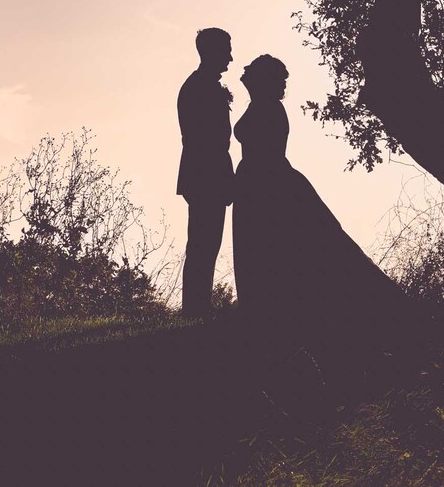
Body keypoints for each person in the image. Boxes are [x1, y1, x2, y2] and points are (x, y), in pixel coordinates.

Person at [232, 54, 414, 349]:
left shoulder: (269, 107)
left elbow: (265, 150)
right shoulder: (261, 104)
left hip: (267, 183)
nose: (283, 86)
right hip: (256, 182)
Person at [177, 27, 235, 319]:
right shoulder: (200, 88)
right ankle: (196, 309)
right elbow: (206, 141)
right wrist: (222, 176)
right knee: (203, 243)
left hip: (204, 175)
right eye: (226, 51)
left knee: (206, 243)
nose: (231, 58)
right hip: (205, 176)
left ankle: (198, 306)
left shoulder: (201, 85)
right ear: (212, 52)